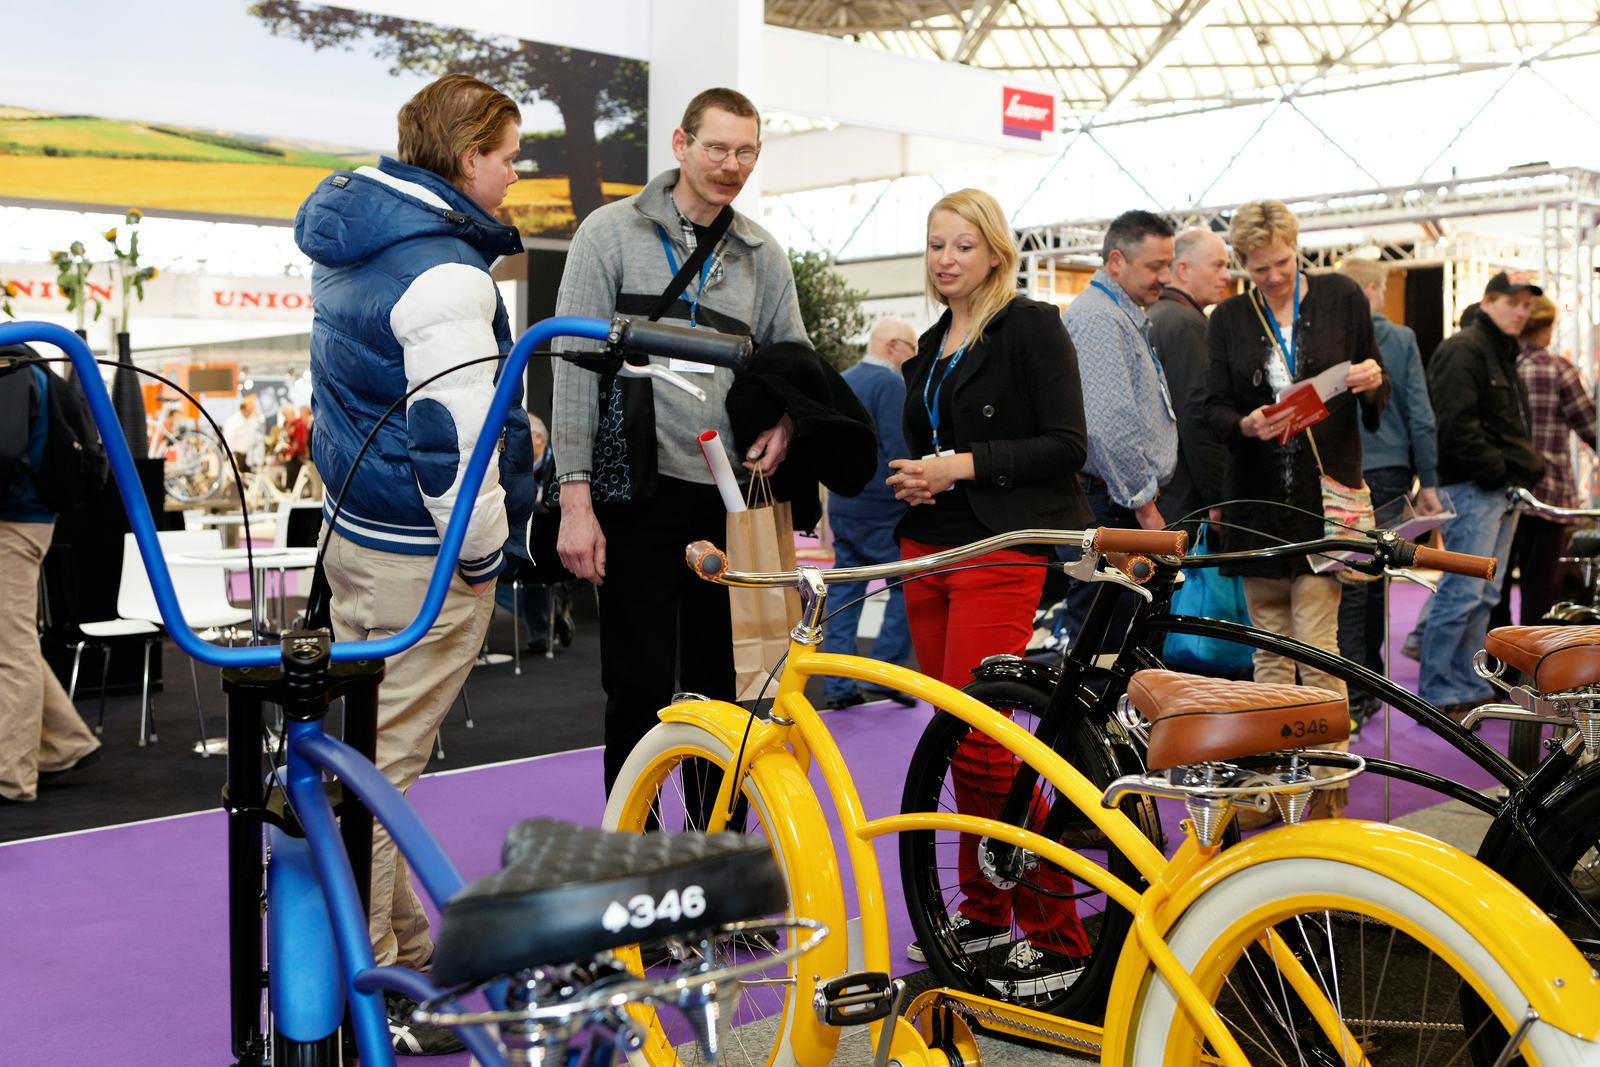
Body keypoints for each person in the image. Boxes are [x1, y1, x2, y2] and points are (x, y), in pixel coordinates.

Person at [294, 73, 535, 1055]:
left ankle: (397, 943)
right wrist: (481, 552)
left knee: (368, 749)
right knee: (384, 766)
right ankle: (378, 980)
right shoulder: (444, 273)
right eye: (509, 154)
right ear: (469, 154)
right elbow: (454, 438)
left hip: (358, 526)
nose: (516, 173)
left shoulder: (356, 242)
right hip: (419, 550)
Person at [550, 87, 808, 794]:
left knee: (721, 690)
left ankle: (711, 849)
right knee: (634, 690)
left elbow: (797, 367)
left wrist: (785, 422)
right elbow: (571, 367)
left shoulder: (763, 256)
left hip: (724, 503)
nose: (731, 164)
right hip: (635, 495)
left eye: (745, 151)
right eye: (717, 147)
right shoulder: (609, 233)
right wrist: (575, 498)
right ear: (681, 145)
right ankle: (635, 852)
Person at [888, 188, 1093, 992]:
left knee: (981, 738)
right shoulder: (934, 340)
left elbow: (1066, 443)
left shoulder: (1032, 326)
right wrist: (921, 480)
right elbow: (935, 442)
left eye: (963, 245)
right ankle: (980, 908)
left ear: (997, 252)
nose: (946, 259)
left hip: (999, 549)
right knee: (951, 737)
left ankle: (1057, 928)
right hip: (927, 549)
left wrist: (962, 466)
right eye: (936, 244)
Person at [1204, 200, 1389, 822]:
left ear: (1297, 247)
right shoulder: (1229, 316)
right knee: (1268, 651)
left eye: (1281, 263)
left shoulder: (1340, 297)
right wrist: (1245, 423)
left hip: (1324, 498)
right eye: (1260, 270)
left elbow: (1372, 383)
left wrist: (1370, 378)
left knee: (1317, 644)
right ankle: (1281, 784)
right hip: (1257, 500)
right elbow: (1210, 409)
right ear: (1242, 265)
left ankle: (1328, 786)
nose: (1274, 277)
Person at [1418, 272, 1545, 716]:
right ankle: (1438, 690)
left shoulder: (1499, 352)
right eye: (1513, 302)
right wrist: (1497, 470)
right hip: (1475, 487)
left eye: (1526, 304)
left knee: (1483, 595)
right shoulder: (1466, 349)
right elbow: (1454, 424)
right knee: (1463, 592)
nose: (1520, 311)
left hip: (1497, 489)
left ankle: (1463, 683)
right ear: (1488, 300)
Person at [1060, 209, 1176, 648]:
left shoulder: (1117, 312)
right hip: (1112, 504)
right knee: (1107, 647)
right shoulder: (1098, 318)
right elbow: (1109, 426)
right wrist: (1144, 506)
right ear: (1116, 261)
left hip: (1117, 500)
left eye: (1167, 264)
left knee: (1122, 642)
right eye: (1154, 266)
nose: (1165, 276)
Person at [1333, 258, 1442, 723]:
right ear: (1375, 290)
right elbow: (1420, 413)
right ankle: (1368, 684)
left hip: (1339, 472)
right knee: (1376, 577)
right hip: (1392, 472)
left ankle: (1353, 691)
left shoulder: (1326, 340)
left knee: (1347, 582)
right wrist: (1430, 480)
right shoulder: (1399, 339)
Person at [0, 349, 102, 805]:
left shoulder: (8, 360)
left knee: (11, 647)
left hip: (13, 518)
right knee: (11, 639)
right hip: (26, 515)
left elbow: (4, 451)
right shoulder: (24, 358)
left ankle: (11, 777)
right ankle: (65, 742)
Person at [820, 317, 919, 709]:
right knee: (908, 584)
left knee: (845, 592)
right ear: (894, 346)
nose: (911, 359)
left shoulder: (840, 381)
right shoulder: (890, 384)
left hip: (843, 506)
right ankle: (886, 669)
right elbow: (898, 450)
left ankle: (838, 684)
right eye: (911, 349)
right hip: (882, 508)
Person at [1488, 294, 1595, 629]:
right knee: (1540, 590)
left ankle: (1498, 667)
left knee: (1497, 587)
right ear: (1546, 328)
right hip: (1548, 496)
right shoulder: (1558, 369)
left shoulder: (1503, 367)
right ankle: (1534, 668)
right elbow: (1590, 427)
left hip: (1503, 494)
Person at [1145, 227, 1233, 530]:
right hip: (1185, 495)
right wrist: (1218, 496)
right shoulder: (1188, 324)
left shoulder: (1153, 316)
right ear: (1183, 269)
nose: (1227, 275)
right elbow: (1197, 414)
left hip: (1159, 490)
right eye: (1218, 265)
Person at [495, 415, 575, 654]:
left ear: (538, 438)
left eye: (520, 438)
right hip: (522, 543)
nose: (512, 444)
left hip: (551, 547)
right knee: (493, 573)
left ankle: (544, 627)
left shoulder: (561, 466)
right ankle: (547, 623)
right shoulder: (514, 469)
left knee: (526, 570)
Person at [221, 394, 264, 471]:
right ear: (246, 408)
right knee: (235, 481)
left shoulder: (250, 421)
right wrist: (232, 459)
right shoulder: (233, 422)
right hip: (236, 457)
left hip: (247, 458)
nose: (254, 410)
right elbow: (227, 442)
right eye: (252, 407)